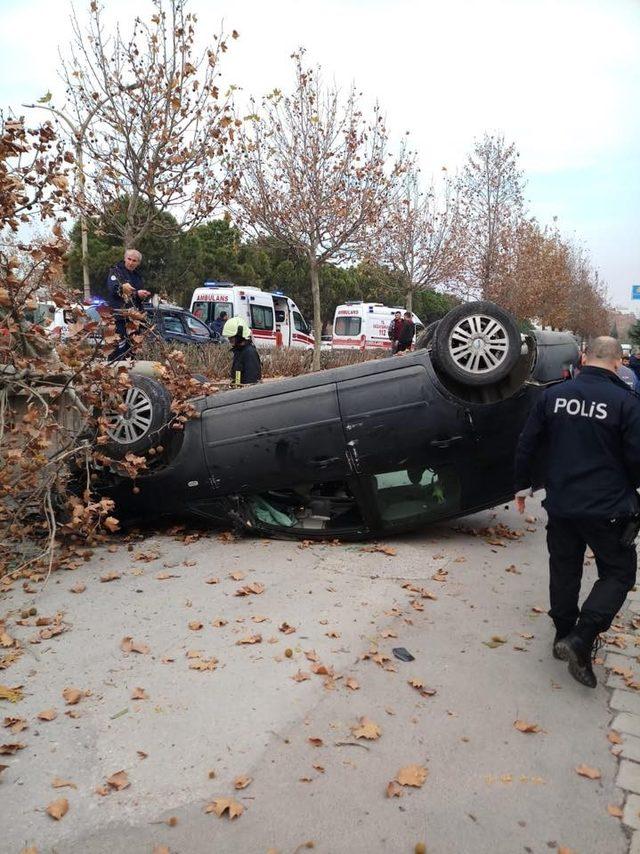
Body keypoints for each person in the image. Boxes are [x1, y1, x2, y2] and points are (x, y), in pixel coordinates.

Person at [514, 336, 640, 688]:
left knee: (564, 567)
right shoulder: (626, 404)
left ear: (584, 357)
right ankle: (582, 637)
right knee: (618, 573)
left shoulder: (552, 396)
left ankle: (563, 635)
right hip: (608, 509)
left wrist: (522, 486)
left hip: (563, 504)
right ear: (618, 363)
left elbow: (527, 443)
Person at [105, 249, 152, 361]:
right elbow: (114, 289)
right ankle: (114, 375)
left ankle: (128, 376)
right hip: (119, 318)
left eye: (134, 261)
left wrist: (142, 296)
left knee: (131, 351)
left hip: (133, 320)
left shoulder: (137, 276)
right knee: (117, 351)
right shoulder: (116, 272)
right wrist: (136, 293)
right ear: (125, 258)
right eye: (129, 259)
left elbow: (136, 298)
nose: (131, 263)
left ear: (138, 263)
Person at [222, 316, 262, 385]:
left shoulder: (249, 353)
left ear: (239, 335)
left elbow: (251, 382)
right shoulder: (239, 351)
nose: (229, 339)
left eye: (231, 337)